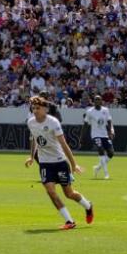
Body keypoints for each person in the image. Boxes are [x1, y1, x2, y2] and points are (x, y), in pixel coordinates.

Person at [25, 95, 93, 229]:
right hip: (45, 163)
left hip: (59, 162)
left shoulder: (53, 122)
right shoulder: (30, 122)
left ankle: (88, 206)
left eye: (38, 108)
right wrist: (32, 157)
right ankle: (69, 221)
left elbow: (64, 145)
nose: (35, 110)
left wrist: (74, 164)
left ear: (45, 109)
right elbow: (34, 139)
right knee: (50, 191)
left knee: (69, 194)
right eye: (33, 108)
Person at [85, 93, 116, 179]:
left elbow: (109, 121)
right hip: (95, 135)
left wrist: (111, 131)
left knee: (111, 153)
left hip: (105, 134)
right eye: (96, 99)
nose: (98, 101)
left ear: (101, 101)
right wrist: (81, 137)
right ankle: (106, 174)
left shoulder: (105, 110)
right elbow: (85, 123)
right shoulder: (89, 111)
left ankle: (97, 168)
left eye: (99, 99)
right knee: (101, 150)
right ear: (93, 101)